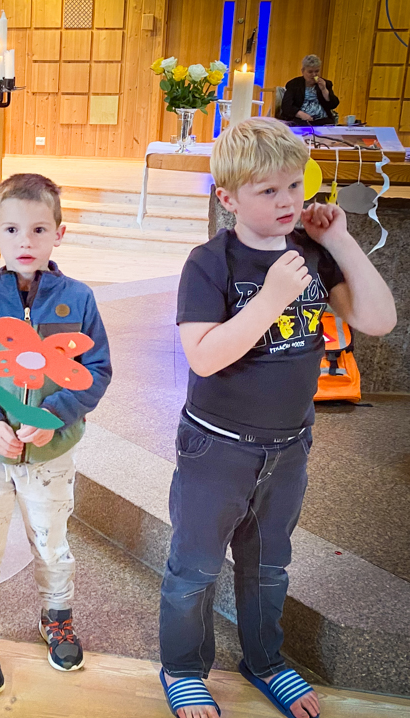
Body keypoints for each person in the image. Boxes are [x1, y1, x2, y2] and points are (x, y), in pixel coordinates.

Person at [159, 117, 396, 718]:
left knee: (268, 568)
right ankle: (184, 669)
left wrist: (340, 240)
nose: (288, 200)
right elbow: (204, 356)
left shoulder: (313, 252)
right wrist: (269, 299)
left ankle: (264, 661)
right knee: (194, 567)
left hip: (289, 446)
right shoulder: (209, 262)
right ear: (228, 197)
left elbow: (378, 320)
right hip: (217, 447)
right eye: (268, 191)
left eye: (295, 185)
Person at [0, 173, 112, 695]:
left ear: (59, 234)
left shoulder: (79, 299)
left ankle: (55, 618)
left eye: (39, 230)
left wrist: (53, 415)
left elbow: (98, 370)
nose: (25, 242)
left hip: (52, 455)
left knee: (53, 542)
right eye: (12, 229)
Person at [279, 54, 339, 126]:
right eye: (310, 72)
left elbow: (333, 104)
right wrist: (300, 114)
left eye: (317, 71)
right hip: (300, 120)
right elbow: (286, 106)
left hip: (323, 120)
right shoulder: (294, 84)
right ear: (303, 71)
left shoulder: (326, 84)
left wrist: (324, 89)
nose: (314, 75)